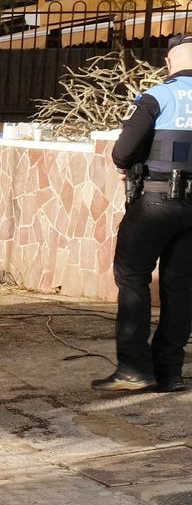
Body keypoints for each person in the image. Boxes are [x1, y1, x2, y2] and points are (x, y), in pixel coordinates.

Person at [96, 34, 192, 393]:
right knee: (180, 287)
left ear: (169, 62)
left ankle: (135, 368)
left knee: (132, 277)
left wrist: (132, 163)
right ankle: (170, 373)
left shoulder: (158, 96)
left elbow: (122, 153)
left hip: (155, 202)